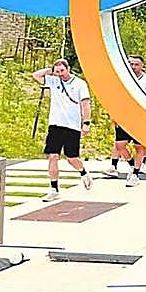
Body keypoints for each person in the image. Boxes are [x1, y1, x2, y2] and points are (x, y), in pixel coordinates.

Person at [31, 58, 94, 201]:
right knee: (53, 156)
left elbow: (85, 104)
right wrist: (50, 70)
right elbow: (36, 76)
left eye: (62, 70)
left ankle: (83, 172)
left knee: (72, 158)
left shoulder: (79, 84)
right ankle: (54, 188)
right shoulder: (54, 81)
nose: (60, 74)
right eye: (57, 71)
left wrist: (86, 123)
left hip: (72, 125)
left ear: (68, 69)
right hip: (55, 124)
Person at [105, 54, 146, 187]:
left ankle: (135, 174)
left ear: (142, 66)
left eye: (136, 64)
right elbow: (115, 97)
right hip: (124, 117)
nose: (133, 67)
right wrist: (114, 114)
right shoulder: (123, 78)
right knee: (120, 145)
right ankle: (132, 164)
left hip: (140, 118)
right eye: (131, 64)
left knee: (139, 146)